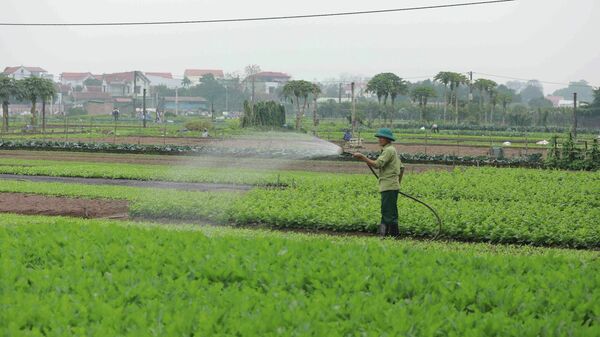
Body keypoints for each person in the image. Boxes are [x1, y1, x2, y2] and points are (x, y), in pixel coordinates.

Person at [353, 128, 402, 237]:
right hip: (391, 186)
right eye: (379, 137)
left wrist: (362, 157)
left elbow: (377, 165)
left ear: (388, 139)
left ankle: (384, 235)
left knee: (386, 212)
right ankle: (393, 235)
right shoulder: (391, 150)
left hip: (388, 186)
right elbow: (402, 168)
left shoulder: (388, 150)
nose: (379, 139)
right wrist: (397, 184)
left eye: (382, 137)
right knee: (391, 211)